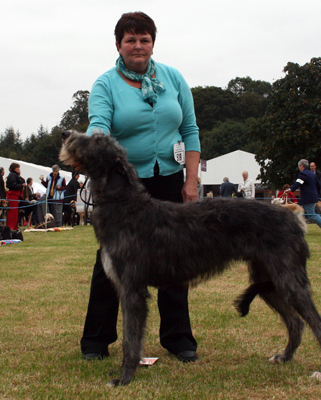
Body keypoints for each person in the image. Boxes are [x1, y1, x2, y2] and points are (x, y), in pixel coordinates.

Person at [80, 12, 200, 363]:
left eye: (144, 39)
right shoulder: (105, 84)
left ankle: (178, 339)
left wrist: (191, 180)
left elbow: (190, 130)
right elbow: (98, 126)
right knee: (112, 262)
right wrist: (93, 144)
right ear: (118, 44)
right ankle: (96, 341)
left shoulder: (173, 78)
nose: (138, 46)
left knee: (175, 257)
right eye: (130, 39)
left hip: (170, 180)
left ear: (153, 43)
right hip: (123, 187)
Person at [287, 159, 321, 235]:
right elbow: (319, 185)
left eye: (299, 166)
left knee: (311, 214)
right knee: (303, 214)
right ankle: (299, 229)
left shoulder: (303, 174)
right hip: (312, 197)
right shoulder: (312, 174)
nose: (299, 168)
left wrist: (290, 189)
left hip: (307, 198)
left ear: (301, 166)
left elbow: (298, 183)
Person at [5, 163, 26, 231]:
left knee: (15, 211)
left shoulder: (15, 175)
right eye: (17, 167)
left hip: (16, 195)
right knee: (12, 211)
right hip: (13, 195)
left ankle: (14, 225)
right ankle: (10, 226)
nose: (18, 169)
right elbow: (12, 185)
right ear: (14, 168)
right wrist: (21, 185)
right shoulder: (12, 175)